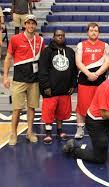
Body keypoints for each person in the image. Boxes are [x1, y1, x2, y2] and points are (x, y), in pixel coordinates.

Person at [2, 14, 44, 145]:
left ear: (35, 25)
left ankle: (29, 132)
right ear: (24, 25)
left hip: (34, 80)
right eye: (28, 23)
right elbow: (8, 58)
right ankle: (13, 134)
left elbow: (42, 59)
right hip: (19, 79)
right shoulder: (15, 39)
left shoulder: (40, 40)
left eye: (33, 23)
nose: (31, 26)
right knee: (17, 109)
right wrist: (5, 77)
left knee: (31, 108)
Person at [38, 29, 77, 144]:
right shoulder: (47, 51)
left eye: (62, 35)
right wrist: (45, 86)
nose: (60, 37)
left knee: (61, 113)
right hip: (50, 89)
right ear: (54, 37)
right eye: (58, 35)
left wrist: (73, 84)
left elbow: (74, 70)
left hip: (64, 89)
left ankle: (60, 131)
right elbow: (42, 70)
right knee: (48, 112)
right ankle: (48, 133)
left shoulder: (70, 51)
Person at [74, 23, 109, 139]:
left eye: (96, 30)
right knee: (81, 105)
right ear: (87, 32)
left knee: (101, 104)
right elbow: (78, 62)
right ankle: (80, 128)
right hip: (85, 78)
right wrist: (88, 73)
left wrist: (96, 74)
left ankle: (100, 127)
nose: (93, 32)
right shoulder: (81, 45)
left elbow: (107, 62)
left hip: (99, 79)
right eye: (91, 30)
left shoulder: (105, 45)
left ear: (99, 32)